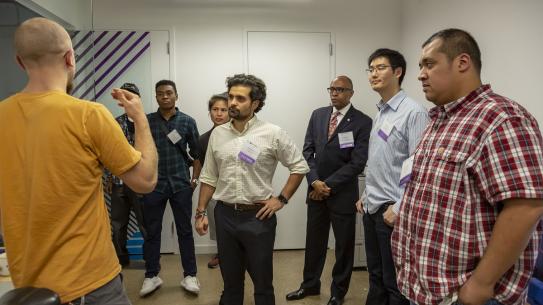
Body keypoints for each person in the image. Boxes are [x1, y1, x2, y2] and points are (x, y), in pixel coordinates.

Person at [0, 17, 157, 304]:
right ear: (70, 57)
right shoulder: (88, 115)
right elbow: (145, 180)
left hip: (27, 285)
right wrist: (140, 119)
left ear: (20, 62)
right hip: (89, 283)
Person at [391, 28, 543, 305]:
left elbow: (526, 206)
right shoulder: (439, 120)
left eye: (429, 64)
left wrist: (481, 285)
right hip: (427, 290)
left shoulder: (502, 119)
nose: (420, 74)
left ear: (462, 63)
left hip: (468, 295)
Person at [195, 74, 309, 305]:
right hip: (224, 215)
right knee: (230, 283)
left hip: (258, 217)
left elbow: (299, 166)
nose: (232, 103)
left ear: (255, 103)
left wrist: (281, 199)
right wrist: (200, 212)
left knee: (263, 283)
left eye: (240, 98)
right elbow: (208, 176)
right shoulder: (218, 134)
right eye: (230, 97)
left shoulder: (272, 133)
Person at [286, 76, 372, 305]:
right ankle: (310, 285)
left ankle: (338, 291)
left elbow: (357, 163)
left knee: (344, 246)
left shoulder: (363, 122)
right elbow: (307, 152)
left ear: (351, 93)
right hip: (315, 192)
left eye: (340, 89)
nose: (334, 93)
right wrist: (314, 181)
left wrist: (327, 185)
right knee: (314, 242)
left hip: (342, 195)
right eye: (332, 89)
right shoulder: (318, 115)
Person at [356, 48, 428, 305]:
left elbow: (418, 167)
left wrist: (399, 207)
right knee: (374, 276)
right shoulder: (381, 111)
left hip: (392, 212)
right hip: (373, 206)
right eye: (371, 69)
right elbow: (381, 160)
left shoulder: (414, 112)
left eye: (380, 68)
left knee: (395, 282)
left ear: (398, 72)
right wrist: (366, 195)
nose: (373, 74)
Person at [140, 79, 202, 296]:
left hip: (180, 184)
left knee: (185, 231)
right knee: (152, 231)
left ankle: (190, 276)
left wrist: (194, 180)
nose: (164, 97)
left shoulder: (187, 122)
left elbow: (197, 154)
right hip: (153, 185)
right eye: (160, 94)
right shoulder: (146, 121)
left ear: (176, 95)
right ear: (156, 97)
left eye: (168, 93)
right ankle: (151, 276)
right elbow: (139, 153)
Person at [105, 82, 148, 267]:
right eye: (125, 95)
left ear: (137, 98)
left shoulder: (146, 122)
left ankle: (150, 258)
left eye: (131, 95)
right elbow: (107, 151)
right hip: (118, 182)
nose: (128, 99)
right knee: (117, 224)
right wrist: (108, 176)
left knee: (145, 223)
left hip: (139, 182)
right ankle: (121, 259)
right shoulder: (114, 122)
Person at [199, 92, 230, 269]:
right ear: (210, 112)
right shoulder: (204, 139)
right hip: (215, 190)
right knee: (219, 225)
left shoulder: (241, 135)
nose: (219, 114)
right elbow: (204, 167)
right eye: (215, 109)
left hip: (238, 189)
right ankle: (222, 254)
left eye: (223, 110)